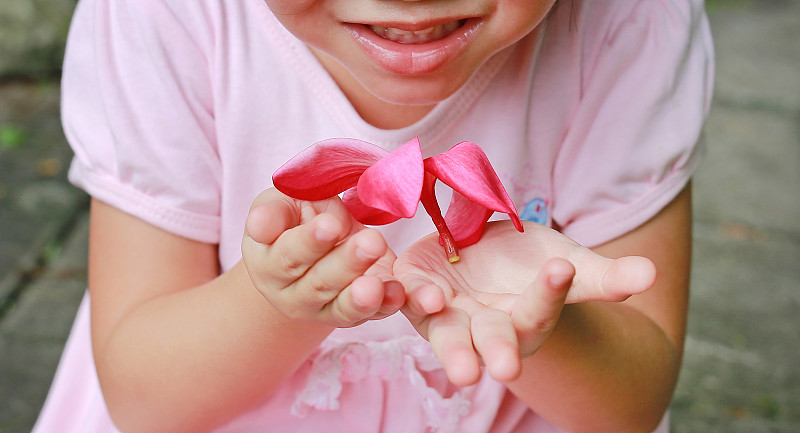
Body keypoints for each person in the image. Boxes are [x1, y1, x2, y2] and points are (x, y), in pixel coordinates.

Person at [33, 0, 713, 432]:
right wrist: (276, 302)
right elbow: (146, 403)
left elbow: (630, 405)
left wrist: (544, 324)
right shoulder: (167, 17)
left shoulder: (626, 21)